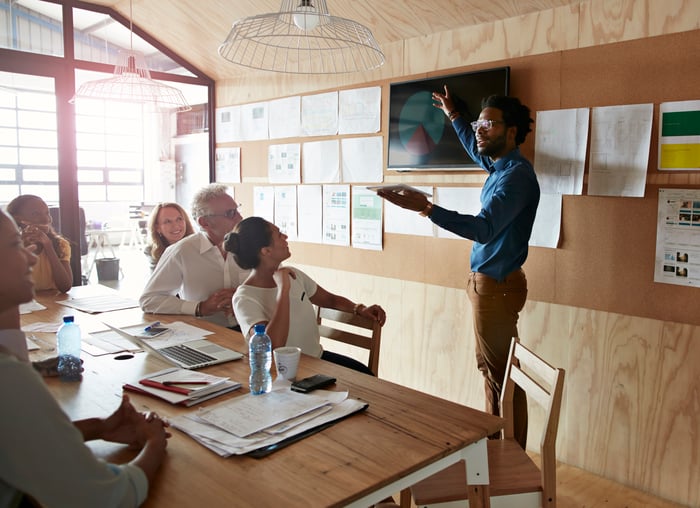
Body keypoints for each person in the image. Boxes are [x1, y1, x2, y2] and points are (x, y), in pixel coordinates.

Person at [377, 88, 539, 449]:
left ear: (511, 132)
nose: (480, 130)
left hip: (496, 288)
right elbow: (473, 145)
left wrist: (426, 208)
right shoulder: (501, 167)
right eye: (480, 123)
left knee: (501, 377)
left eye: (490, 124)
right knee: (492, 373)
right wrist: (454, 115)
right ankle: (499, 449)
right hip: (490, 286)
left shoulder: (516, 177)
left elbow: (483, 228)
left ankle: (508, 455)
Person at [0, 208, 170, 507]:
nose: (29, 257)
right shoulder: (8, 378)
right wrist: (155, 443)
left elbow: (21, 440)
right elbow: (106, 497)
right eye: (15, 245)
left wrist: (100, 428)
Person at [224, 216, 386, 375]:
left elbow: (330, 300)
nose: (285, 237)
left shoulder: (295, 275)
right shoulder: (244, 297)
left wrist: (359, 309)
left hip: (316, 361)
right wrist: (283, 290)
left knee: (367, 377)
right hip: (281, 373)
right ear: (266, 251)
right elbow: (272, 345)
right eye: (279, 235)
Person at [139, 184, 249, 329]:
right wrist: (199, 307)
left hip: (252, 330)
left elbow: (278, 284)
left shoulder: (253, 244)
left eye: (237, 210)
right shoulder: (181, 252)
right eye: (230, 213)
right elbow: (150, 300)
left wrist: (245, 296)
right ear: (204, 222)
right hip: (206, 333)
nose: (240, 217)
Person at [6, 194, 73, 292]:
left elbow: (65, 287)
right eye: (35, 214)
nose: (46, 219)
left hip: (51, 303)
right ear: (18, 219)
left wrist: (48, 246)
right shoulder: (6, 246)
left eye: (47, 213)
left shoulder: (60, 244)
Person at [144, 202, 195, 269]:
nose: (175, 226)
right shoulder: (151, 251)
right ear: (157, 228)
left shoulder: (198, 245)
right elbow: (159, 278)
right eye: (167, 221)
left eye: (179, 219)